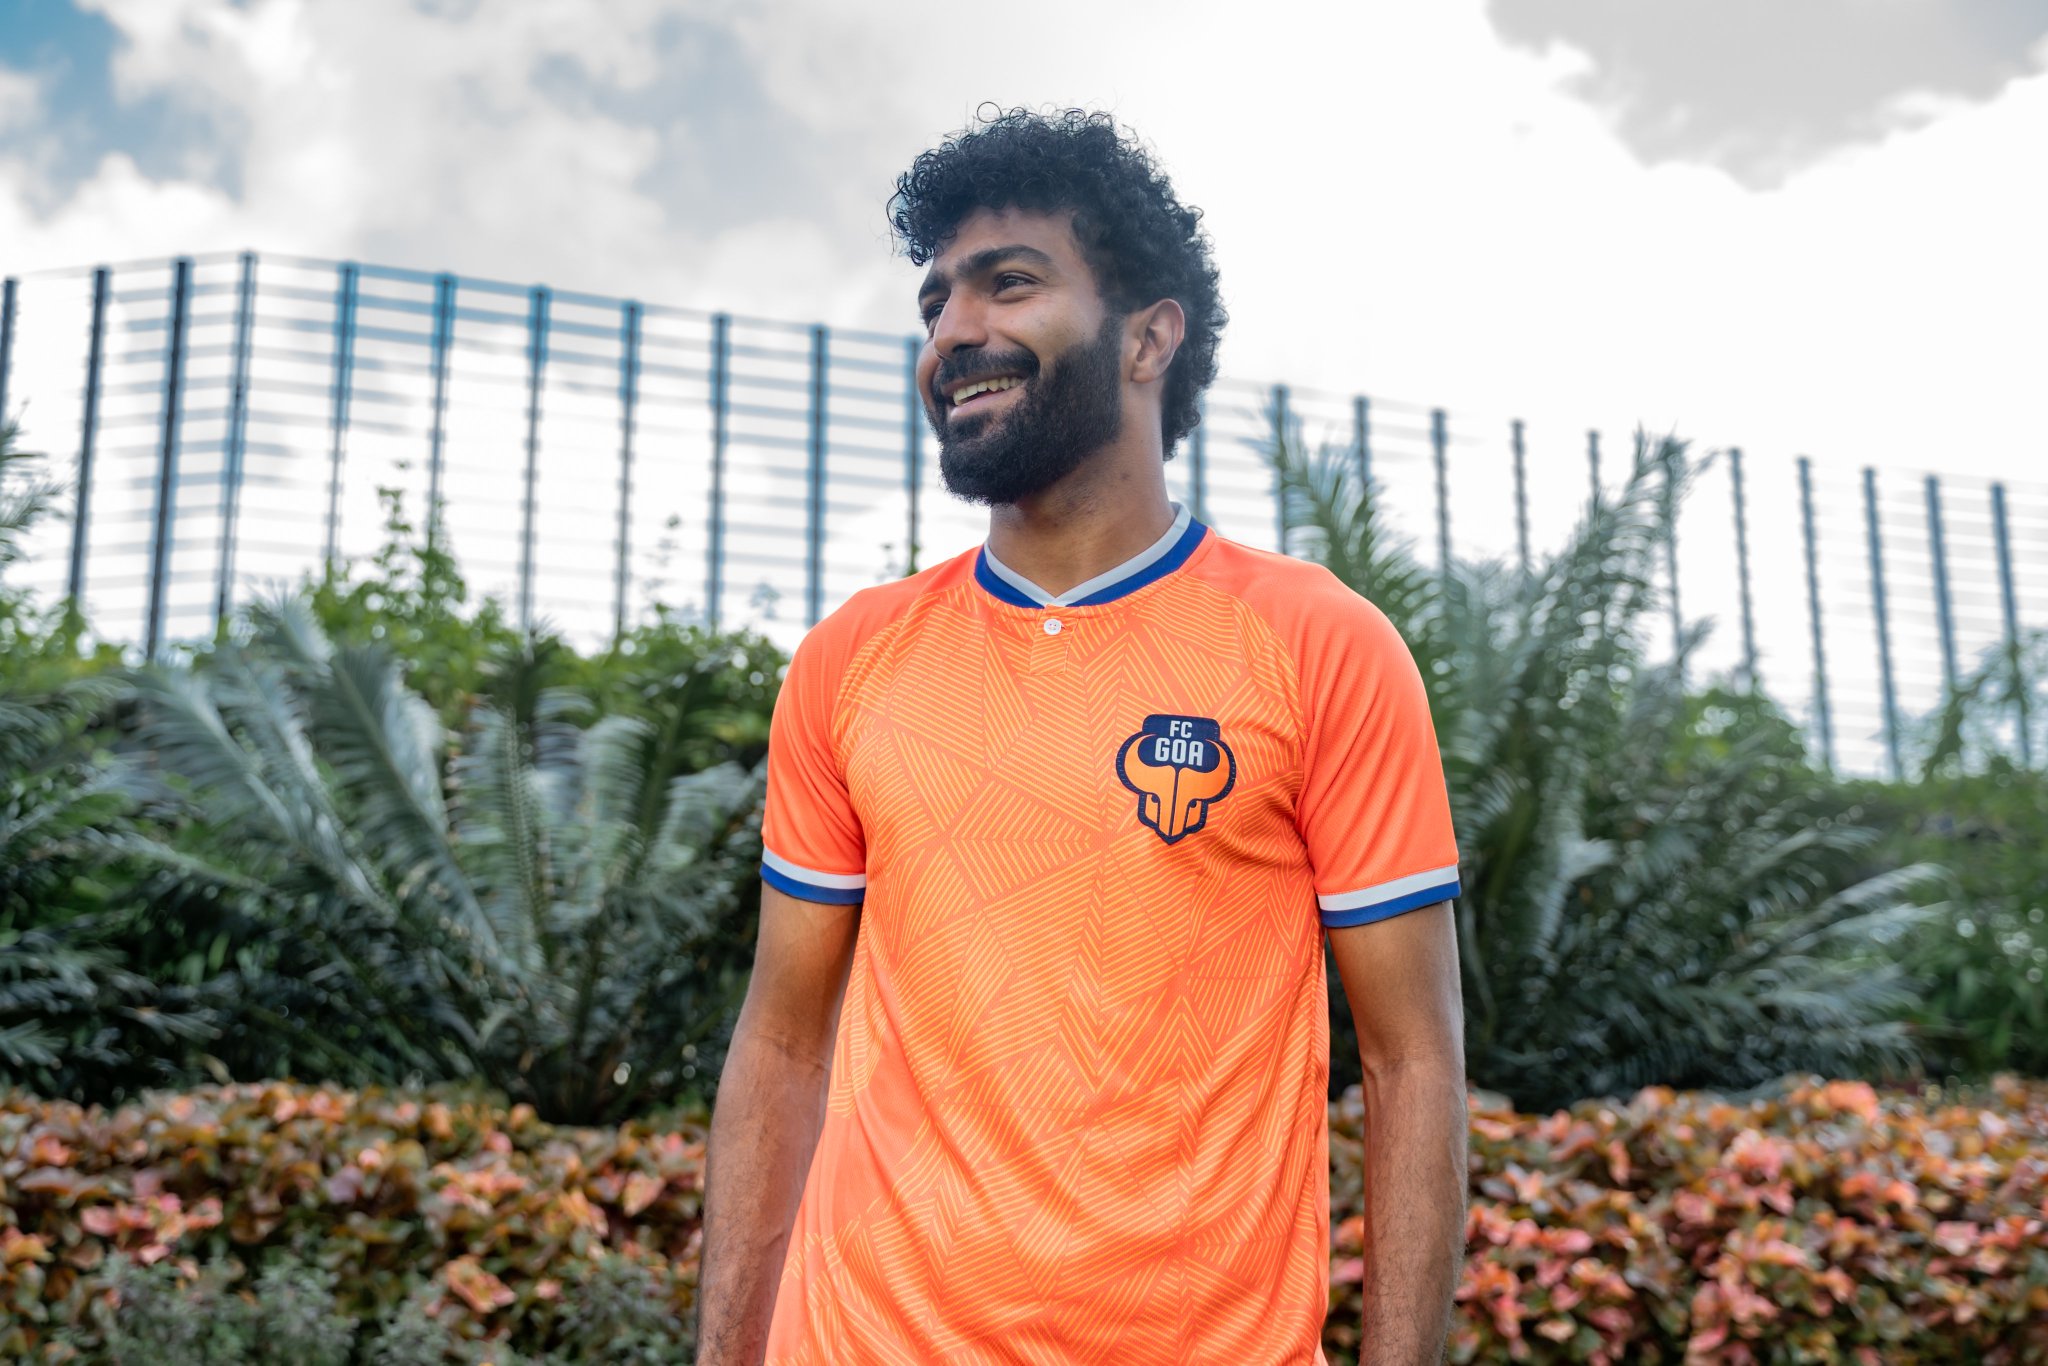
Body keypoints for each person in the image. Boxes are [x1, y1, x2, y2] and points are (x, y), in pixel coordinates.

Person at [696, 107, 1467, 1366]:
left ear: (1148, 337)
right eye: (934, 301)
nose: (952, 332)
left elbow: (1412, 1061)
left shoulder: (1318, 643)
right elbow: (782, 1046)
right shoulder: (850, 658)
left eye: (1008, 283)